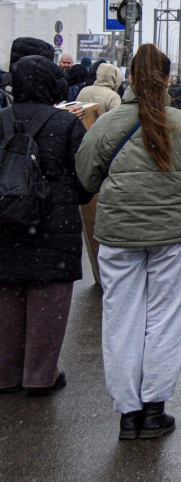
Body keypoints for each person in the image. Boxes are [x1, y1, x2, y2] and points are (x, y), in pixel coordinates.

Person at [75, 44, 181, 441]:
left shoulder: (106, 125)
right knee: (166, 318)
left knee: (121, 318)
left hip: (119, 236)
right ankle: (155, 411)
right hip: (174, 237)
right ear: (169, 81)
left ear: (131, 81)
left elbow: (86, 180)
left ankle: (128, 414)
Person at [0, 56, 91, 396]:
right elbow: (84, 181)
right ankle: (40, 376)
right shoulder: (66, 124)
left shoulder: (0, 120)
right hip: (54, 225)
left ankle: (5, 374)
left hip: (4, 225)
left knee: (6, 297)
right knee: (48, 299)